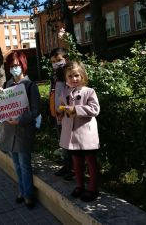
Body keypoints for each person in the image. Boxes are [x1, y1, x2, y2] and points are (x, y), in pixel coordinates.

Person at [0, 51, 40, 209]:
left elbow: (35, 111)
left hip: (23, 131)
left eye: (16, 65)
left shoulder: (30, 86)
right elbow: (5, 105)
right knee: (16, 164)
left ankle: (28, 195)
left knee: (25, 164)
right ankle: (22, 191)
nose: (14, 68)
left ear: (23, 65)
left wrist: (20, 120)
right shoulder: (8, 84)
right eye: (11, 65)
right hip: (10, 131)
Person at [59, 61, 100, 202]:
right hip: (73, 135)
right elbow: (63, 107)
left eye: (76, 75)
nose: (74, 79)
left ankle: (93, 189)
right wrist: (61, 112)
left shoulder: (89, 91)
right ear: (66, 78)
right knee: (76, 161)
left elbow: (95, 109)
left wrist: (76, 109)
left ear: (82, 76)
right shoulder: (65, 92)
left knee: (90, 161)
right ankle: (80, 185)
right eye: (70, 76)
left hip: (86, 135)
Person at [49, 48, 74, 181]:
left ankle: (72, 169)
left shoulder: (70, 76)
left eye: (59, 60)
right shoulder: (55, 76)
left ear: (66, 59)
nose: (56, 63)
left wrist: (62, 110)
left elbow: (70, 95)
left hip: (66, 115)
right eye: (53, 61)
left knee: (70, 143)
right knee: (63, 143)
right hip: (57, 115)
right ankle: (66, 166)